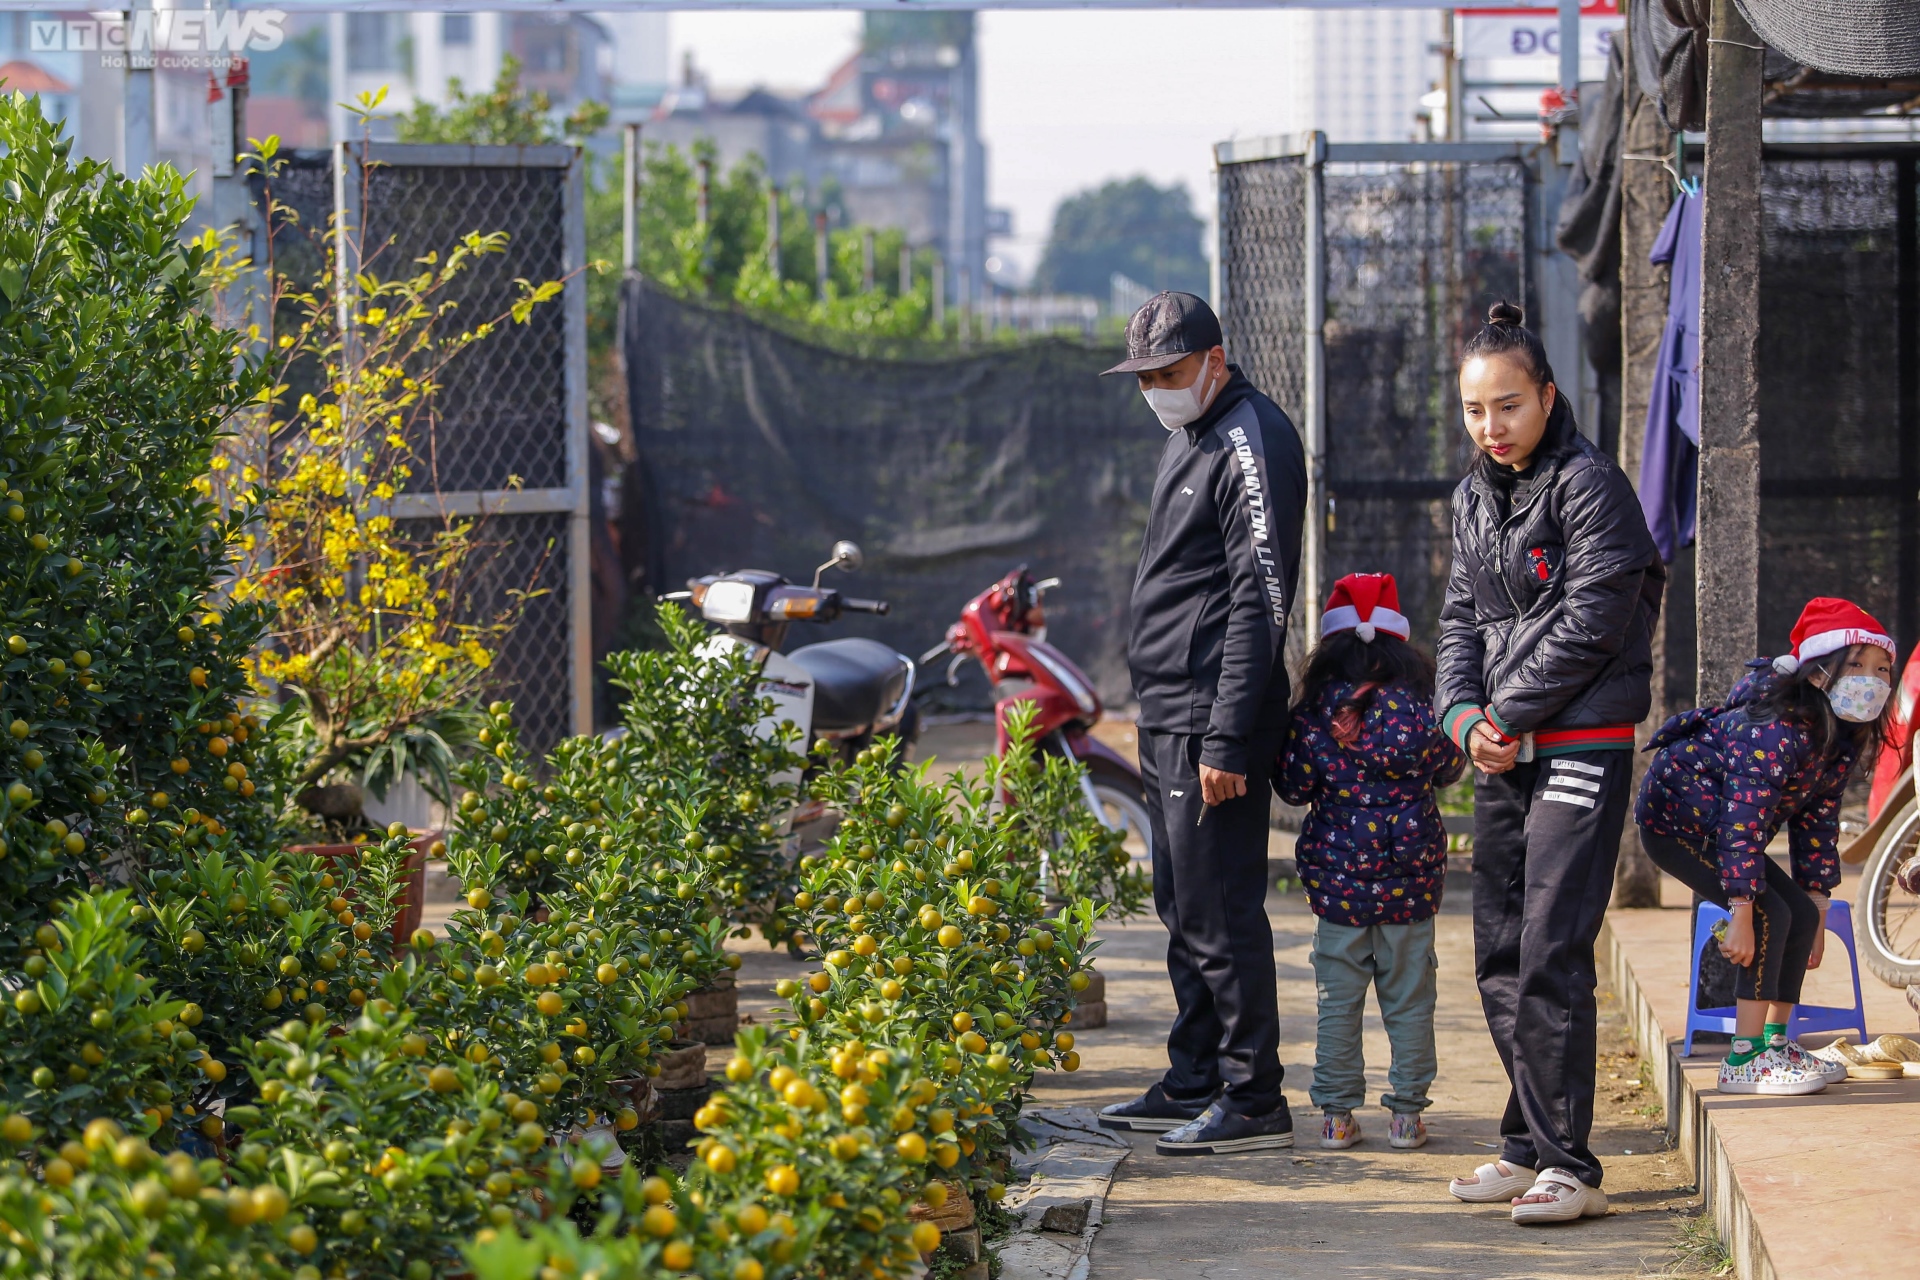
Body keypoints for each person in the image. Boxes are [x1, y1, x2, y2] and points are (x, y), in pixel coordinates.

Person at [1435, 302, 1664, 1224]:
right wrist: (1461, 719)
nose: (1491, 427)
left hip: (1580, 742)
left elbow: (1591, 627)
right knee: (1495, 950)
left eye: (1509, 406)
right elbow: (1458, 618)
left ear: (1548, 397)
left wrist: (1504, 712)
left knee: (1550, 949)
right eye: (1475, 410)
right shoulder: (1470, 497)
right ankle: (1526, 1142)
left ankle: (1571, 1167)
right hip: (1501, 747)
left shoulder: (1591, 487)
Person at [1094, 291, 1307, 1155]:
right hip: (1168, 711)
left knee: (1221, 911)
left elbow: (1261, 600)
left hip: (1211, 719)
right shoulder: (1191, 435)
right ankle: (1197, 1075)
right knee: (1181, 903)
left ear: (1214, 361)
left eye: (1169, 372)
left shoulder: (1252, 439)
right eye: (1143, 377)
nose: (1156, 388)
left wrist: (1224, 738)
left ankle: (1254, 1095)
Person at [1637, 598, 1895, 1095]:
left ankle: (1776, 1045)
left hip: (1727, 829)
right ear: (1820, 674)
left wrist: (1817, 912)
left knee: (1794, 911)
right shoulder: (1774, 729)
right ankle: (1743, 1058)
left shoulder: (1837, 736)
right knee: (1767, 913)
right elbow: (1744, 820)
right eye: (1857, 665)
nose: (1874, 679)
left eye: (1882, 668)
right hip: (1679, 824)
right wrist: (1739, 908)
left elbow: (1817, 827)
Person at [1274, 573, 1464, 1152]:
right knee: (1410, 1003)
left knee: (1338, 1003)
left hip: (1338, 889)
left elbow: (1293, 788)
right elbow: (1450, 770)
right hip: (1412, 884)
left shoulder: (1313, 715)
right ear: (1398, 645)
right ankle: (1407, 1117)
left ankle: (1336, 1117)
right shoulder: (1426, 707)